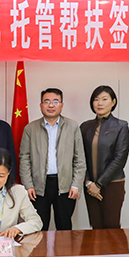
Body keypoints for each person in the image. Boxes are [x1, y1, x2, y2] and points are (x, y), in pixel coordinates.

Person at [19, 88, 86, 230]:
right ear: (41, 105)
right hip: (38, 187)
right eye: (47, 101)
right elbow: (24, 159)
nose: (51, 105)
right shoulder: (30, 128)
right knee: (38, 226)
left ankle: (65, 247)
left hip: (65, 186)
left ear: (61, 105)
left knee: (64, 226)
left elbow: (79, 159)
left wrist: (76, 185)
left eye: (55, 101)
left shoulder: (72, 126)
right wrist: (28, 185)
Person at [80, 85, 129, 229]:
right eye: (96, 99)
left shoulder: (121, 126)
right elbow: (80, 157)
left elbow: (120, 158)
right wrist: (88, 182)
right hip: (90, 185)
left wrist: (99, 184)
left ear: (113, 102)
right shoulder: (85, 127)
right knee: (95, 226)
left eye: (104, 99)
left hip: (112, 183)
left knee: (111, 226)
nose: (100, 103)